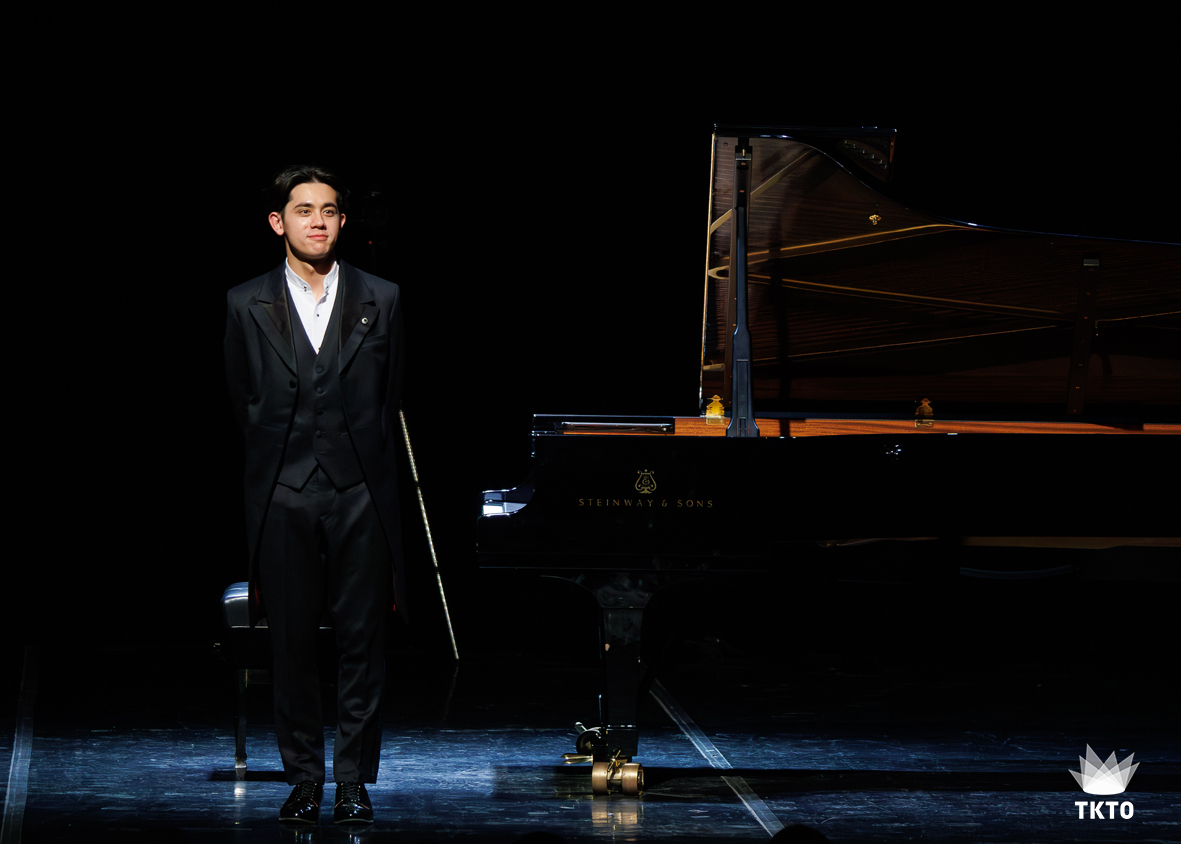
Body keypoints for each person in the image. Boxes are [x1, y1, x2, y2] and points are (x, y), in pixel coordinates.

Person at [224, 165, 406, 825]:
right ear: (279, 222)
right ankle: (303, 778)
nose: (317, 221)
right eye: (304, 210)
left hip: (360, 491)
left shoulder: (381, 297)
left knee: (363, 643)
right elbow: (242, 399)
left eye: (328, 210)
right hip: (284, 490)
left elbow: (390, 396)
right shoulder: (245, 302)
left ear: (342, 221)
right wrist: (280, 467)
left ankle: (352, 781)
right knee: (291, 644)